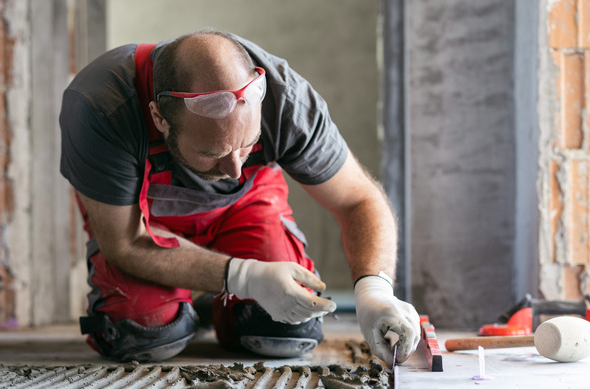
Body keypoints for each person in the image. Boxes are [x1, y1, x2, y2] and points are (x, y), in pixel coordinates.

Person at [59, 30, 420, 365]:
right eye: (211, 153)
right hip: (145, 225)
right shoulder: (101, 106)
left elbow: (358, 200)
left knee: (283, 332)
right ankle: (187, 303)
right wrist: (244, 276)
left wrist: (375, 291)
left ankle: (213, 307)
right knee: (145, 334)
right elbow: (125, 243)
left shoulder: (288, 103)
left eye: (247, 146)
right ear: (160, 118)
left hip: (244, 208)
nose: (233, 169)